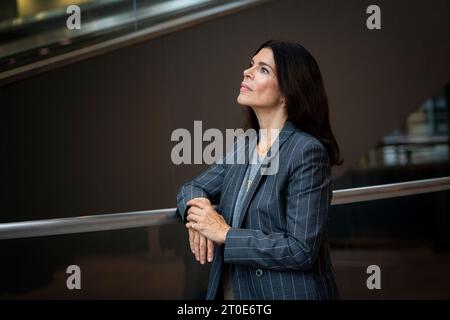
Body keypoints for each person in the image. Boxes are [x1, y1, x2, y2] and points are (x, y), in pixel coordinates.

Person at [176, 39, 343, 300]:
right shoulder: (243, 147)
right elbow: (191, 188)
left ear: (289, 91)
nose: (248, 71)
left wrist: (226, 234)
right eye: (251, 64)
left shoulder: (306, 151)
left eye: (263, 69)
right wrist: (197, 217)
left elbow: (301, 250)